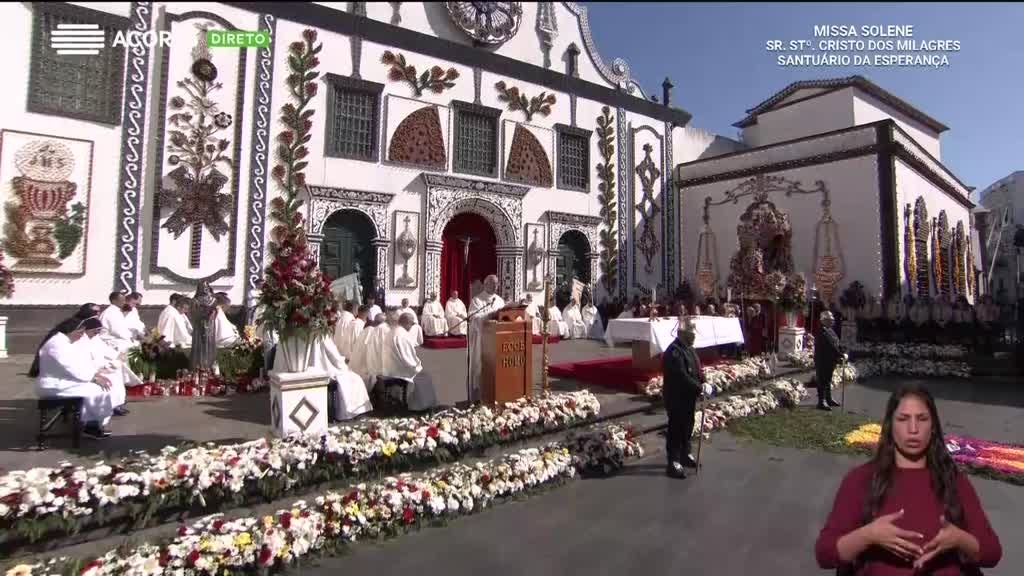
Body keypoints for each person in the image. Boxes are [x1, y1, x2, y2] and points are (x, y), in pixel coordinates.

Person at [815, 384, 1002, 574]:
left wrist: (960, 540)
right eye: (903, 419)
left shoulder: (954, 481)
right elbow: (825, 554)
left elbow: (992, 553)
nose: (913, 429)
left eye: (922, 419)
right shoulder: (861, 480)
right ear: (890, 425)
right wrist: (867, 535)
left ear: (933, 426)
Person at [35, 317, 116, 439]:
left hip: (61, 382)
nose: (81, 336)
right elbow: (71, 367)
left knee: (100, 386)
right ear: (72, 331)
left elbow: (79, 363)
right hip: (53, 385)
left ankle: (91, 423)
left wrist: (95, 374)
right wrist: (94, 378)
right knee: (98, 390)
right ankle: (91, 425)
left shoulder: (63, 341)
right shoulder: (57, 344)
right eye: (80, 333)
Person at [661, 316, 712, 479]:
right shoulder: (674, 352)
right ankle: (673, 461)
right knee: (676, 428)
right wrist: (699, 387)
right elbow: (681, 376)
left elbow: (697, 369)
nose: (694, 336)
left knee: (688, 426)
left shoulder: (689, 349)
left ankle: (685, 453)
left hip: (689, 397)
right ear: (682, 334)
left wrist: (704, 382)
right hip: (677, 397)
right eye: (691, 333)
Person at [384, 313, 440, 411]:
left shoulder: (392, 332)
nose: (411, 327)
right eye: (411, 324)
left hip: (389, 366)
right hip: (399, 370)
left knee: (422, 375)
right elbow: (408, 358)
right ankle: (421, 406)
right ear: (407, 323)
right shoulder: (402, 336)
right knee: (425, 377)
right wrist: (418, 366)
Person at [467, 275, 505, 403]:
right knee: (481, 368)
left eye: (496, 283)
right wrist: (490, 314)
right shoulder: (477, 300)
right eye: (492, 283)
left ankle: (497, 394)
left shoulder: (499, 300)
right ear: (485, 284)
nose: (495, 286)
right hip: (482, 340)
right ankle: (479, 397)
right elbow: (474, 319)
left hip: (498, 340)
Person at [814, 311, 845, 411]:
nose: (832, 321)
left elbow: (836, 343)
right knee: (822, 380)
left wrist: (842, 350)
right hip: (823, 360)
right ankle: (821, 401)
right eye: (830, 320)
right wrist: (840, 354)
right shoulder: (822, 332)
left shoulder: (830, 331)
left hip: (830, 360)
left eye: (832, 320)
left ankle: (828, 398)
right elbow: (830, 346)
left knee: (828, 380)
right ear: (824, 321)